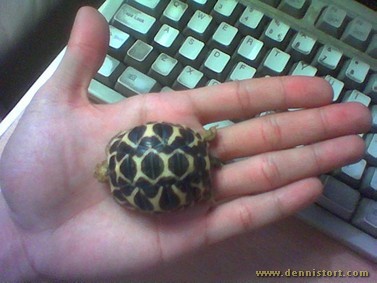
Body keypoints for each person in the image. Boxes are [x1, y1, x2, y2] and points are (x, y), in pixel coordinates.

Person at [0, 7, 371, 282]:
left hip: (185, 182)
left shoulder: (126, 188)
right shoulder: (122, 156)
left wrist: (20, 237)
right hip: (185, 162)